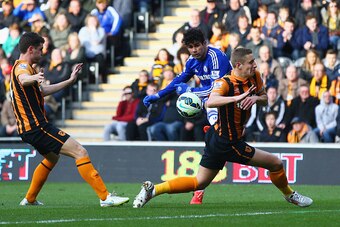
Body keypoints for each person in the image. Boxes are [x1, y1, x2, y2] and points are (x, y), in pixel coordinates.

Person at [133, 47, 313, 209]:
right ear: (238, 65)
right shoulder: (224, 82)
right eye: (251, 62)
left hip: (217, 137)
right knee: (275, 163)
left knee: (199, 182)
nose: (255, 65)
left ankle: (153, 190)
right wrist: (237, 98)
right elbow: (211, 101)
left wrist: (256, 99)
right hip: (229, 141)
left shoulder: (254, 76)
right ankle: (290, 195)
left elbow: (264, 97)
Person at [11, 32, 128, 207]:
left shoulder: (23, 67)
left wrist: (69, 80)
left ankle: (29, 199)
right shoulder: (23, 68)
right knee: (80, 152)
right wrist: (33, 78)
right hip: (37, 127)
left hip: (28, 129)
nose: (42, 53)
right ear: (30, 49)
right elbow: (23, 79)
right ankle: (105, 197)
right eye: (40, 49)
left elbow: (42, 91)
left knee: (52, 158)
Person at [143, 27, 232, 204]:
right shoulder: (192, 61)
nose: (194, 50)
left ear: (205, 43)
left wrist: (191, 91)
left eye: (197, 46)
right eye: (190, 47)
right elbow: (178, 81)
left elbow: (218, 89)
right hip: (212, 103)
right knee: (217, 142)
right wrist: (158, 95)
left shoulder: (217, 57)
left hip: (231, 100)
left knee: (219, 143)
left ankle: (200, 185)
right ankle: (200, 187)